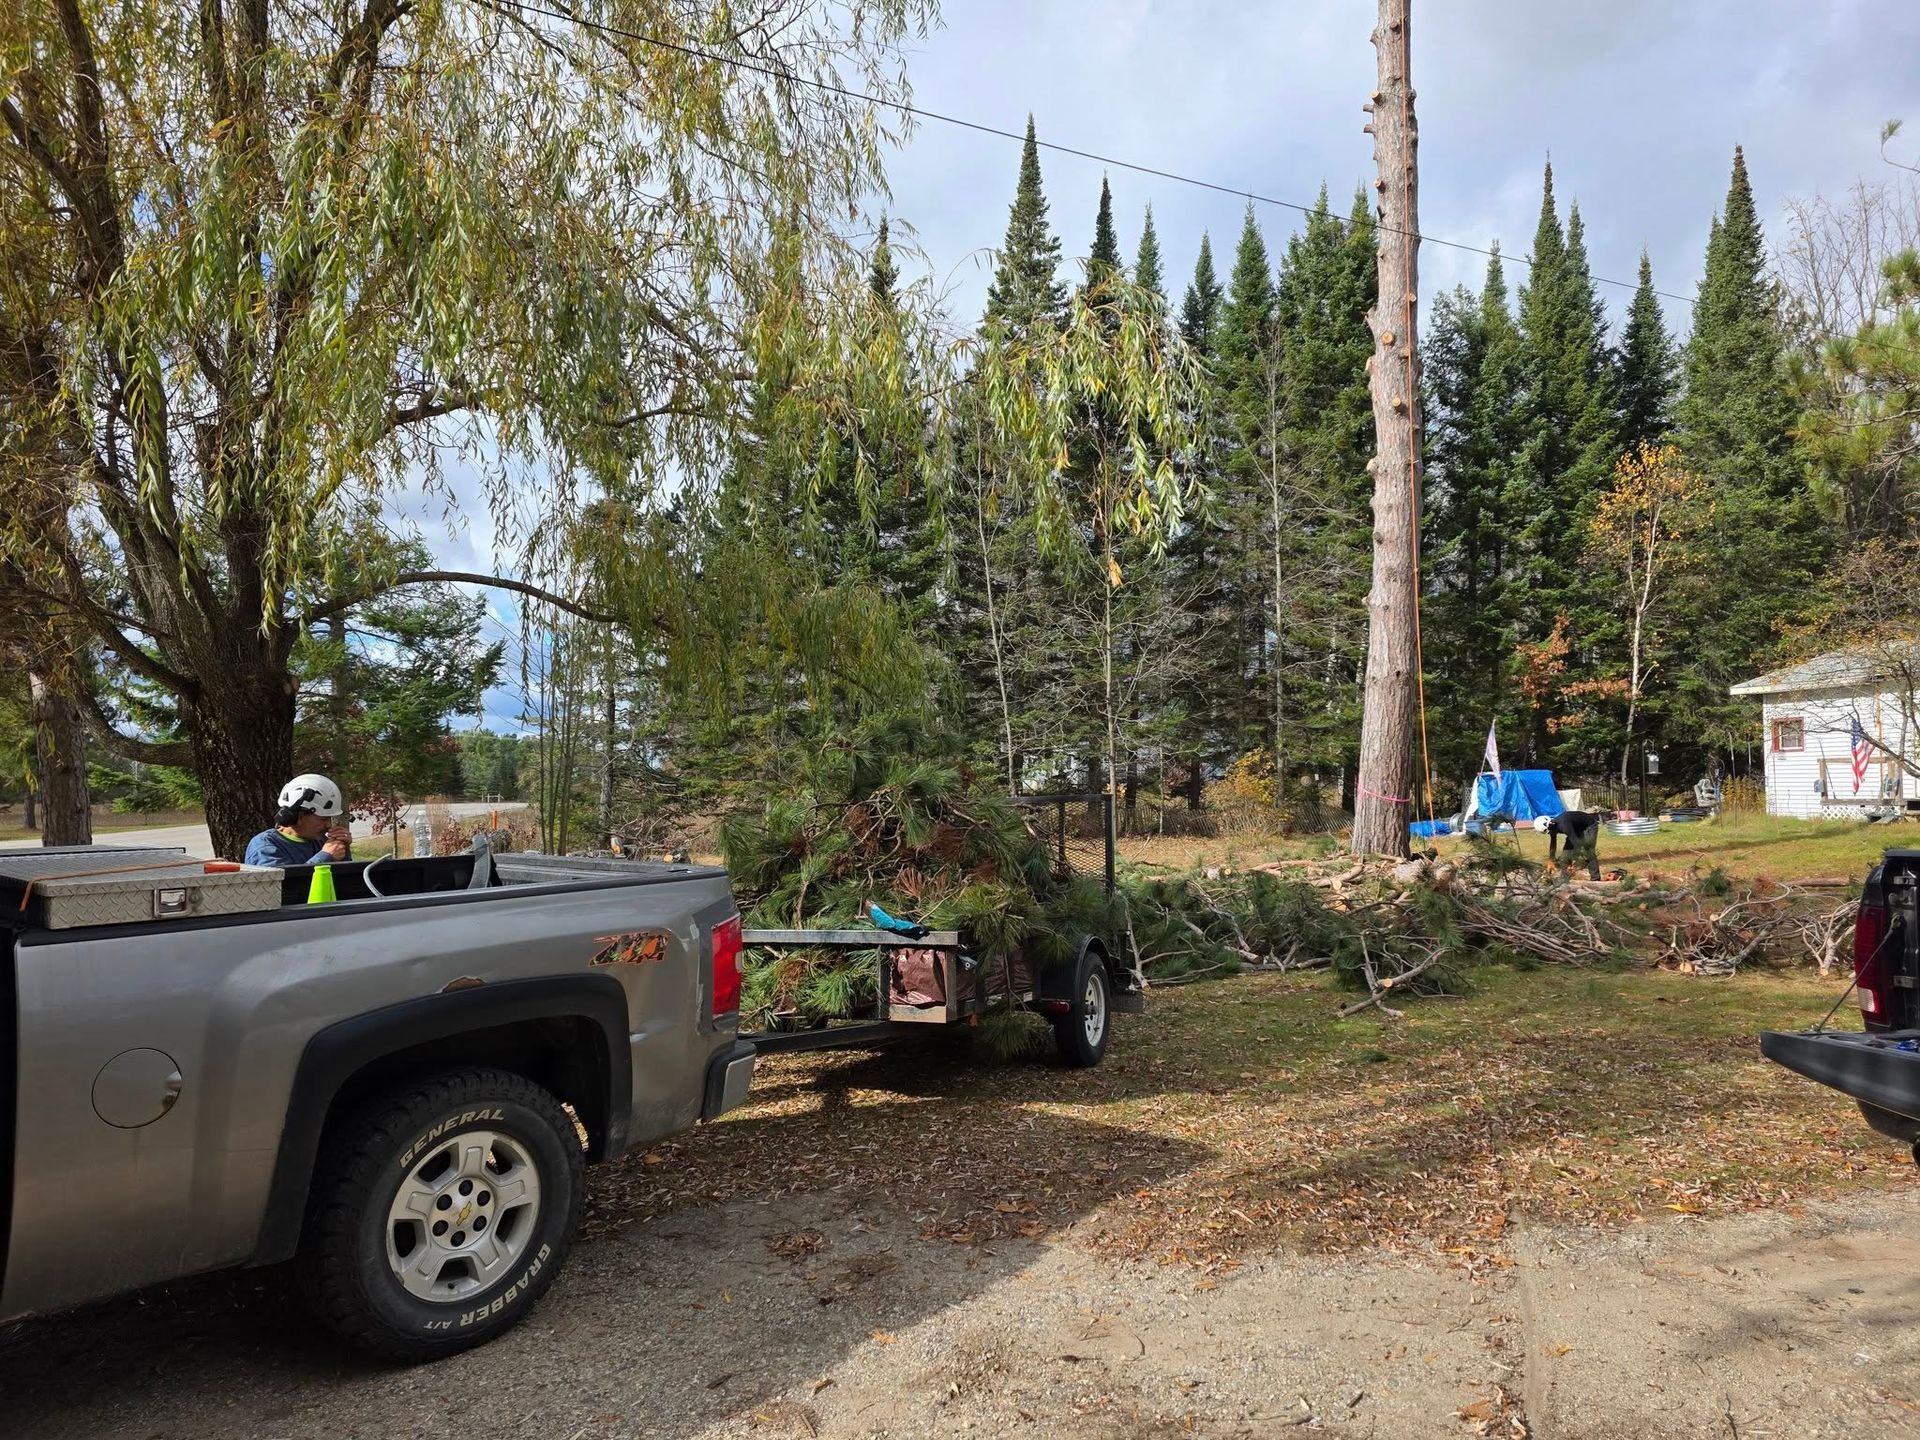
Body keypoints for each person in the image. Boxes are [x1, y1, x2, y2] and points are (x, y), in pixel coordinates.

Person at [244, 774, 354, 868]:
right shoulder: (265, 846)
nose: (328, 825)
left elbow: (344, 884)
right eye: (323, 819)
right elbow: (284, 887)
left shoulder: (320, 842)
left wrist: (343, 849)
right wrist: (326, 857)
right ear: (299, 817)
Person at [1533, 811, 1601, 880]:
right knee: (1564, 857)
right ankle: (1565, 880)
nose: (1550, 833)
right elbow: (1553, 841)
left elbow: (1577, 844)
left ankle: (1595, 878)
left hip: (1589, 826)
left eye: (1549, 832)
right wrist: (1551, 860)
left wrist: (1575, 862)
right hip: (1575, 830)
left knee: (1588, 852)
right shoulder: (1552, 826)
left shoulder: (1564, 825)